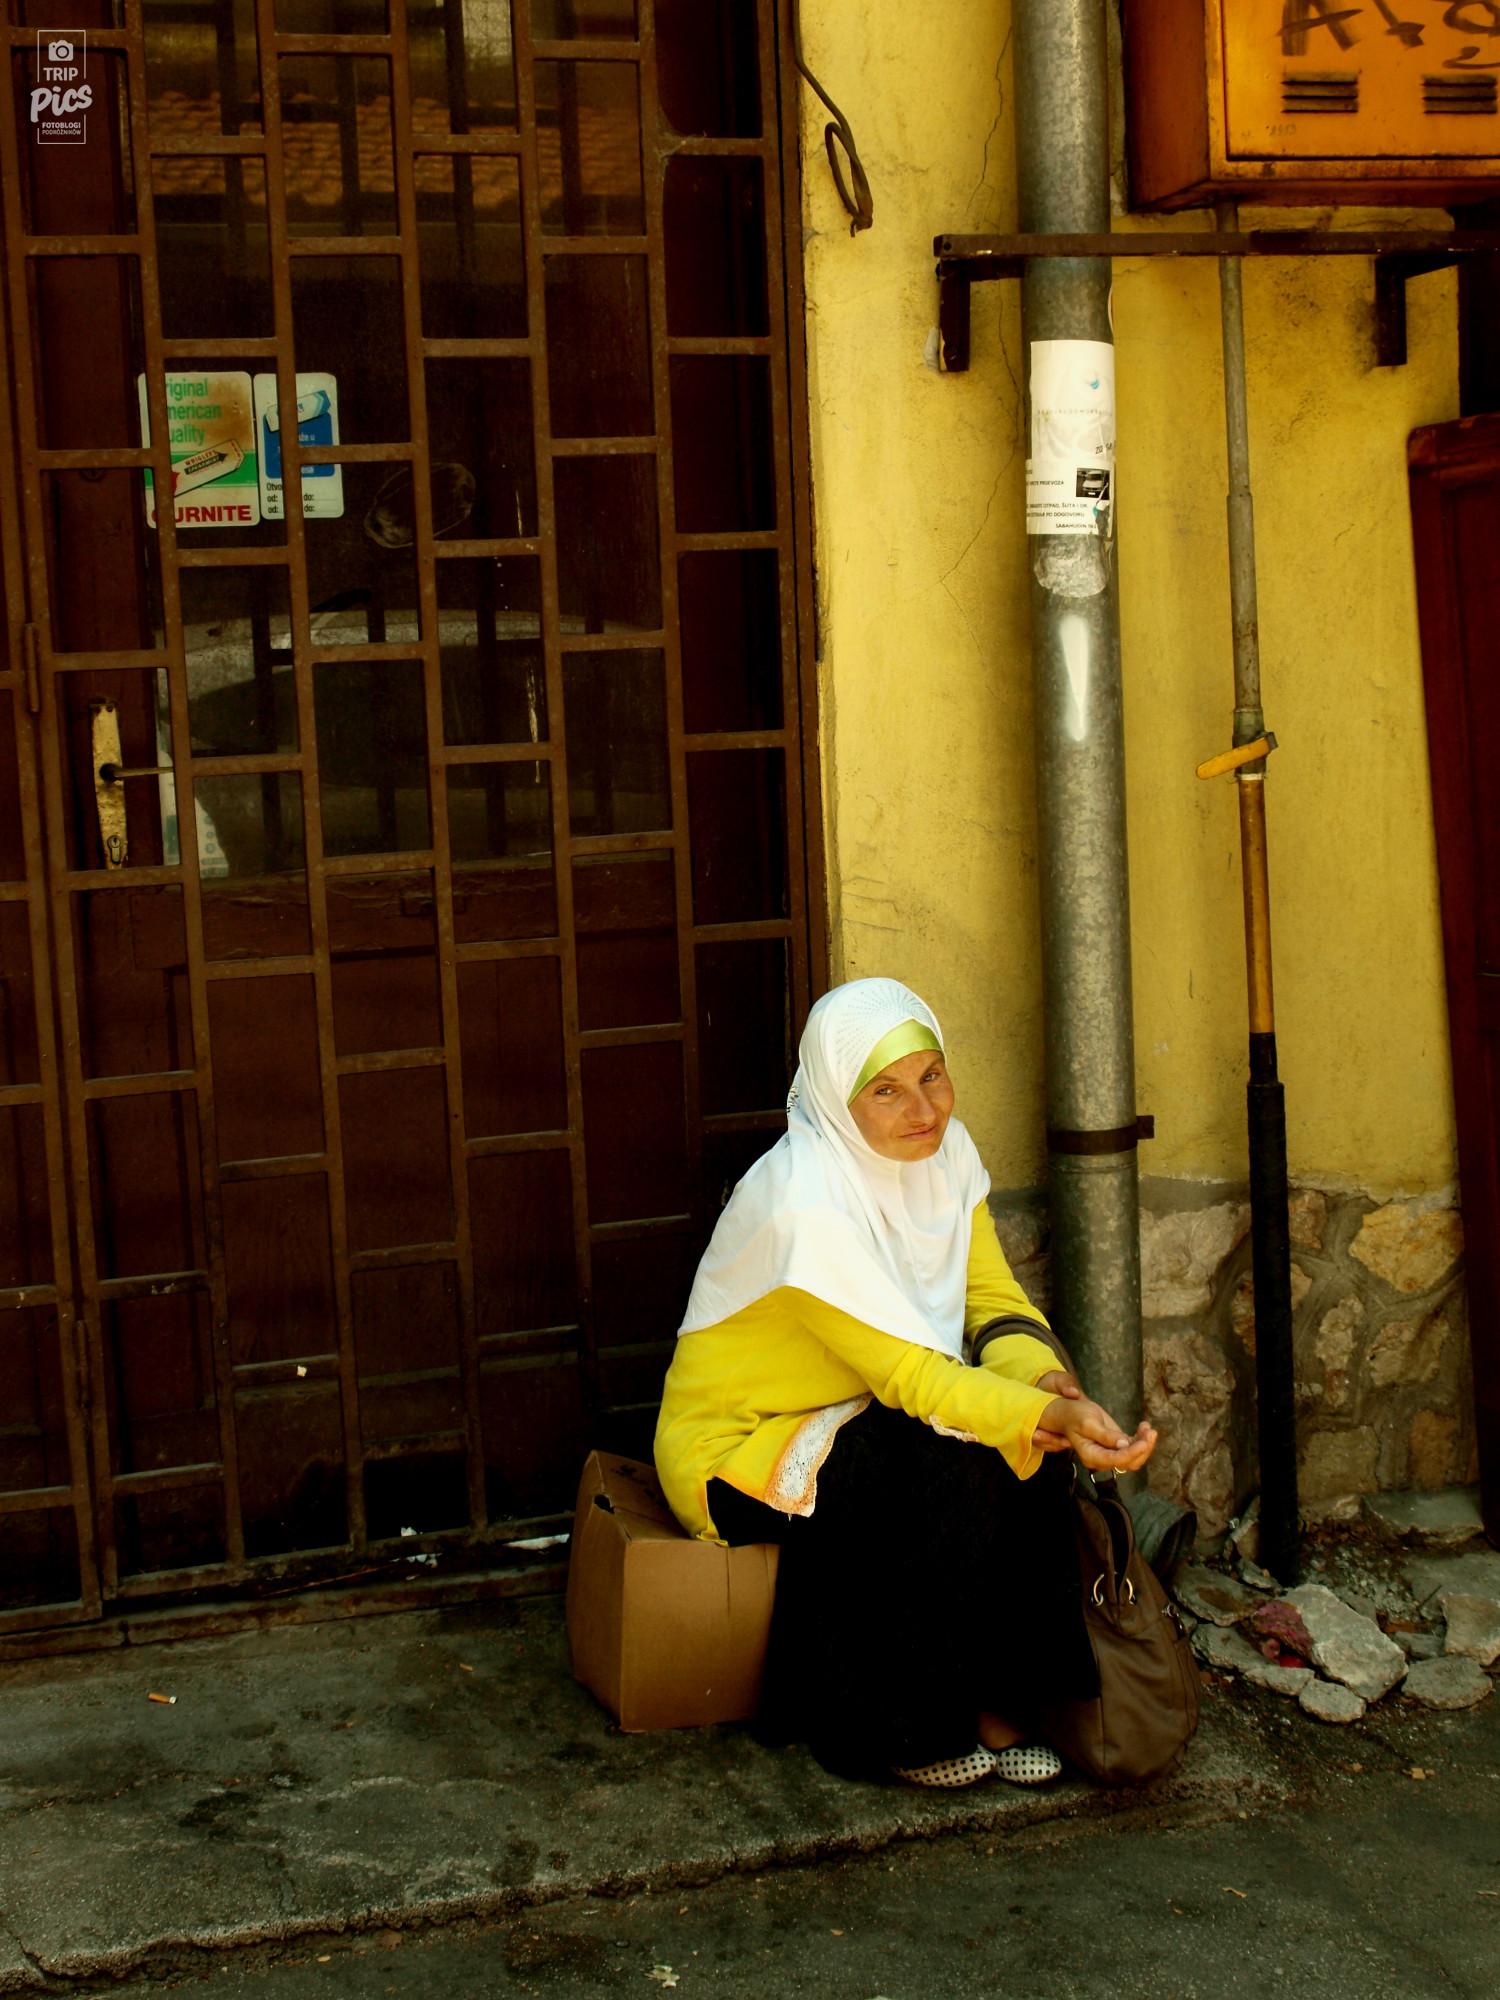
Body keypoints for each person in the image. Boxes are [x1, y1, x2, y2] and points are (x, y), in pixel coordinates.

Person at [655, 977, 1158, 1789]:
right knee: (941, 1458)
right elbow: (914, 1376)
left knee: (1024, 1450)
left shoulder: (944, 1157)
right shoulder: (804, 1206)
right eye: (885, 1091)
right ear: (836, 1098)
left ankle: (1012, 1703)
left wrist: (1048, 1385)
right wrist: (1035, 1414)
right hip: (740, 1443)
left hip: (866, 1404)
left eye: (932, 1075)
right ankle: (907, 1729)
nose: (923, 1109)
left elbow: (992, 1302)